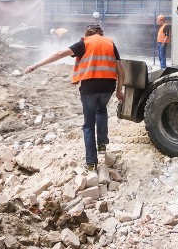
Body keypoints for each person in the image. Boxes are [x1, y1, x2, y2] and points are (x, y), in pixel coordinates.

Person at [24, 23, 125, 171]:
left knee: (88, 125)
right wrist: (119, 91)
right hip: (108, 87)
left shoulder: (84, 42)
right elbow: (121, 71)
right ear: (100, 33)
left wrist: (36, 65)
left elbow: (59, 54)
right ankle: (102, 143)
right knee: (101, 110)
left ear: (87, 33)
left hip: (89, 88)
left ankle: (91, 163)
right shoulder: (110, 43)